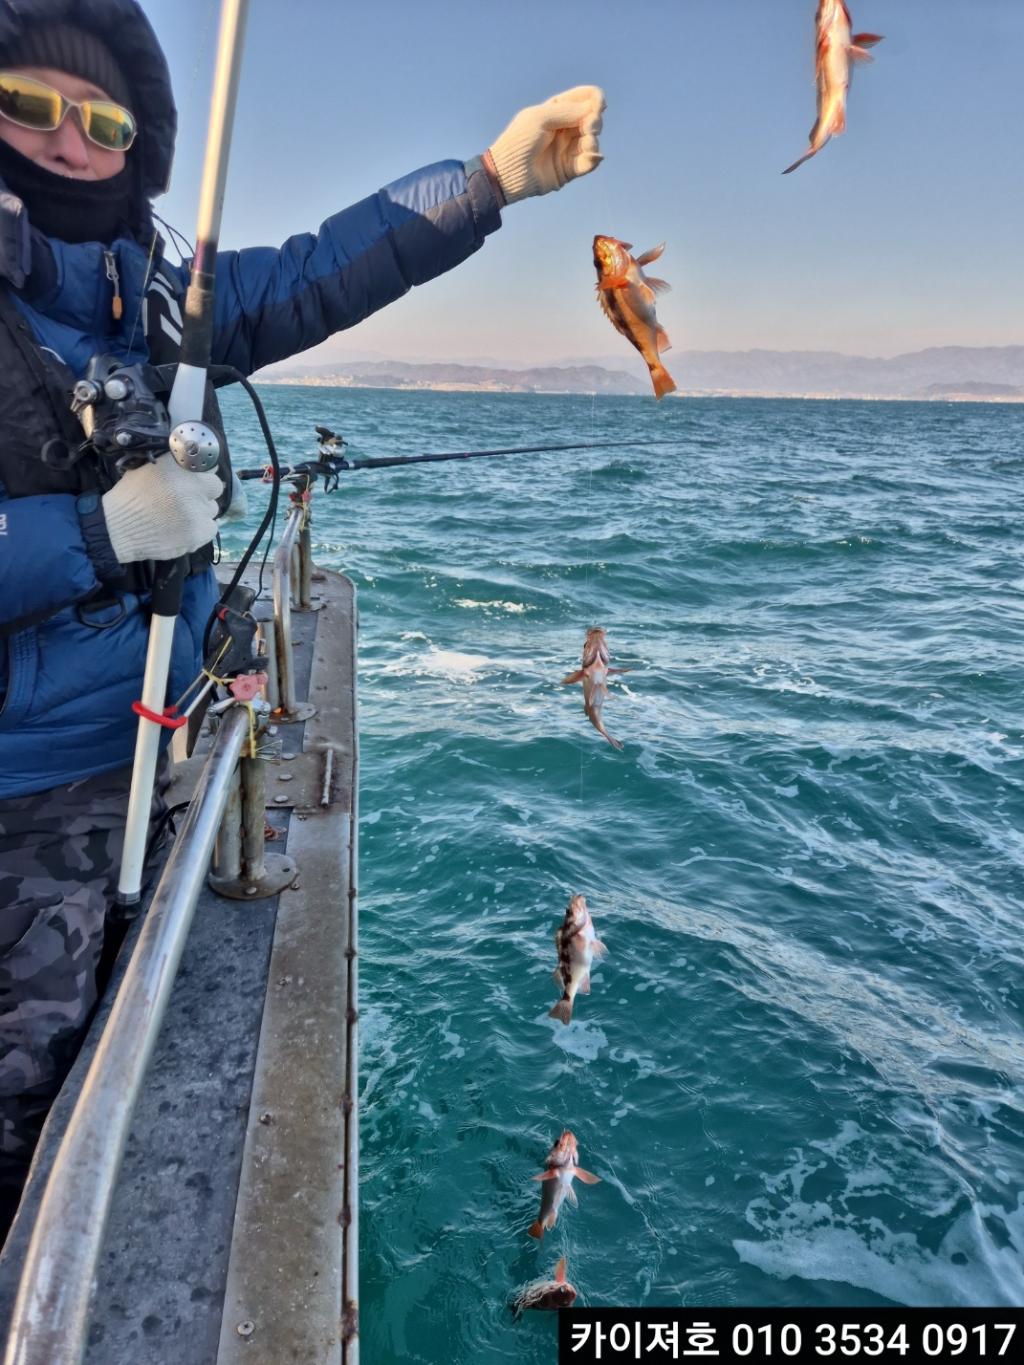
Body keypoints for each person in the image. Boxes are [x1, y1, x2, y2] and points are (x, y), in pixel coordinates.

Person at [0, 0, 605, 1239]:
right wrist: (101, 536)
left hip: (146, 744)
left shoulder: (156, 299)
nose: (69, 142)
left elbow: (315, 273)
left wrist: (486, 181)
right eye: (28, 104)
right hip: (31, 781)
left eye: (104, 120)